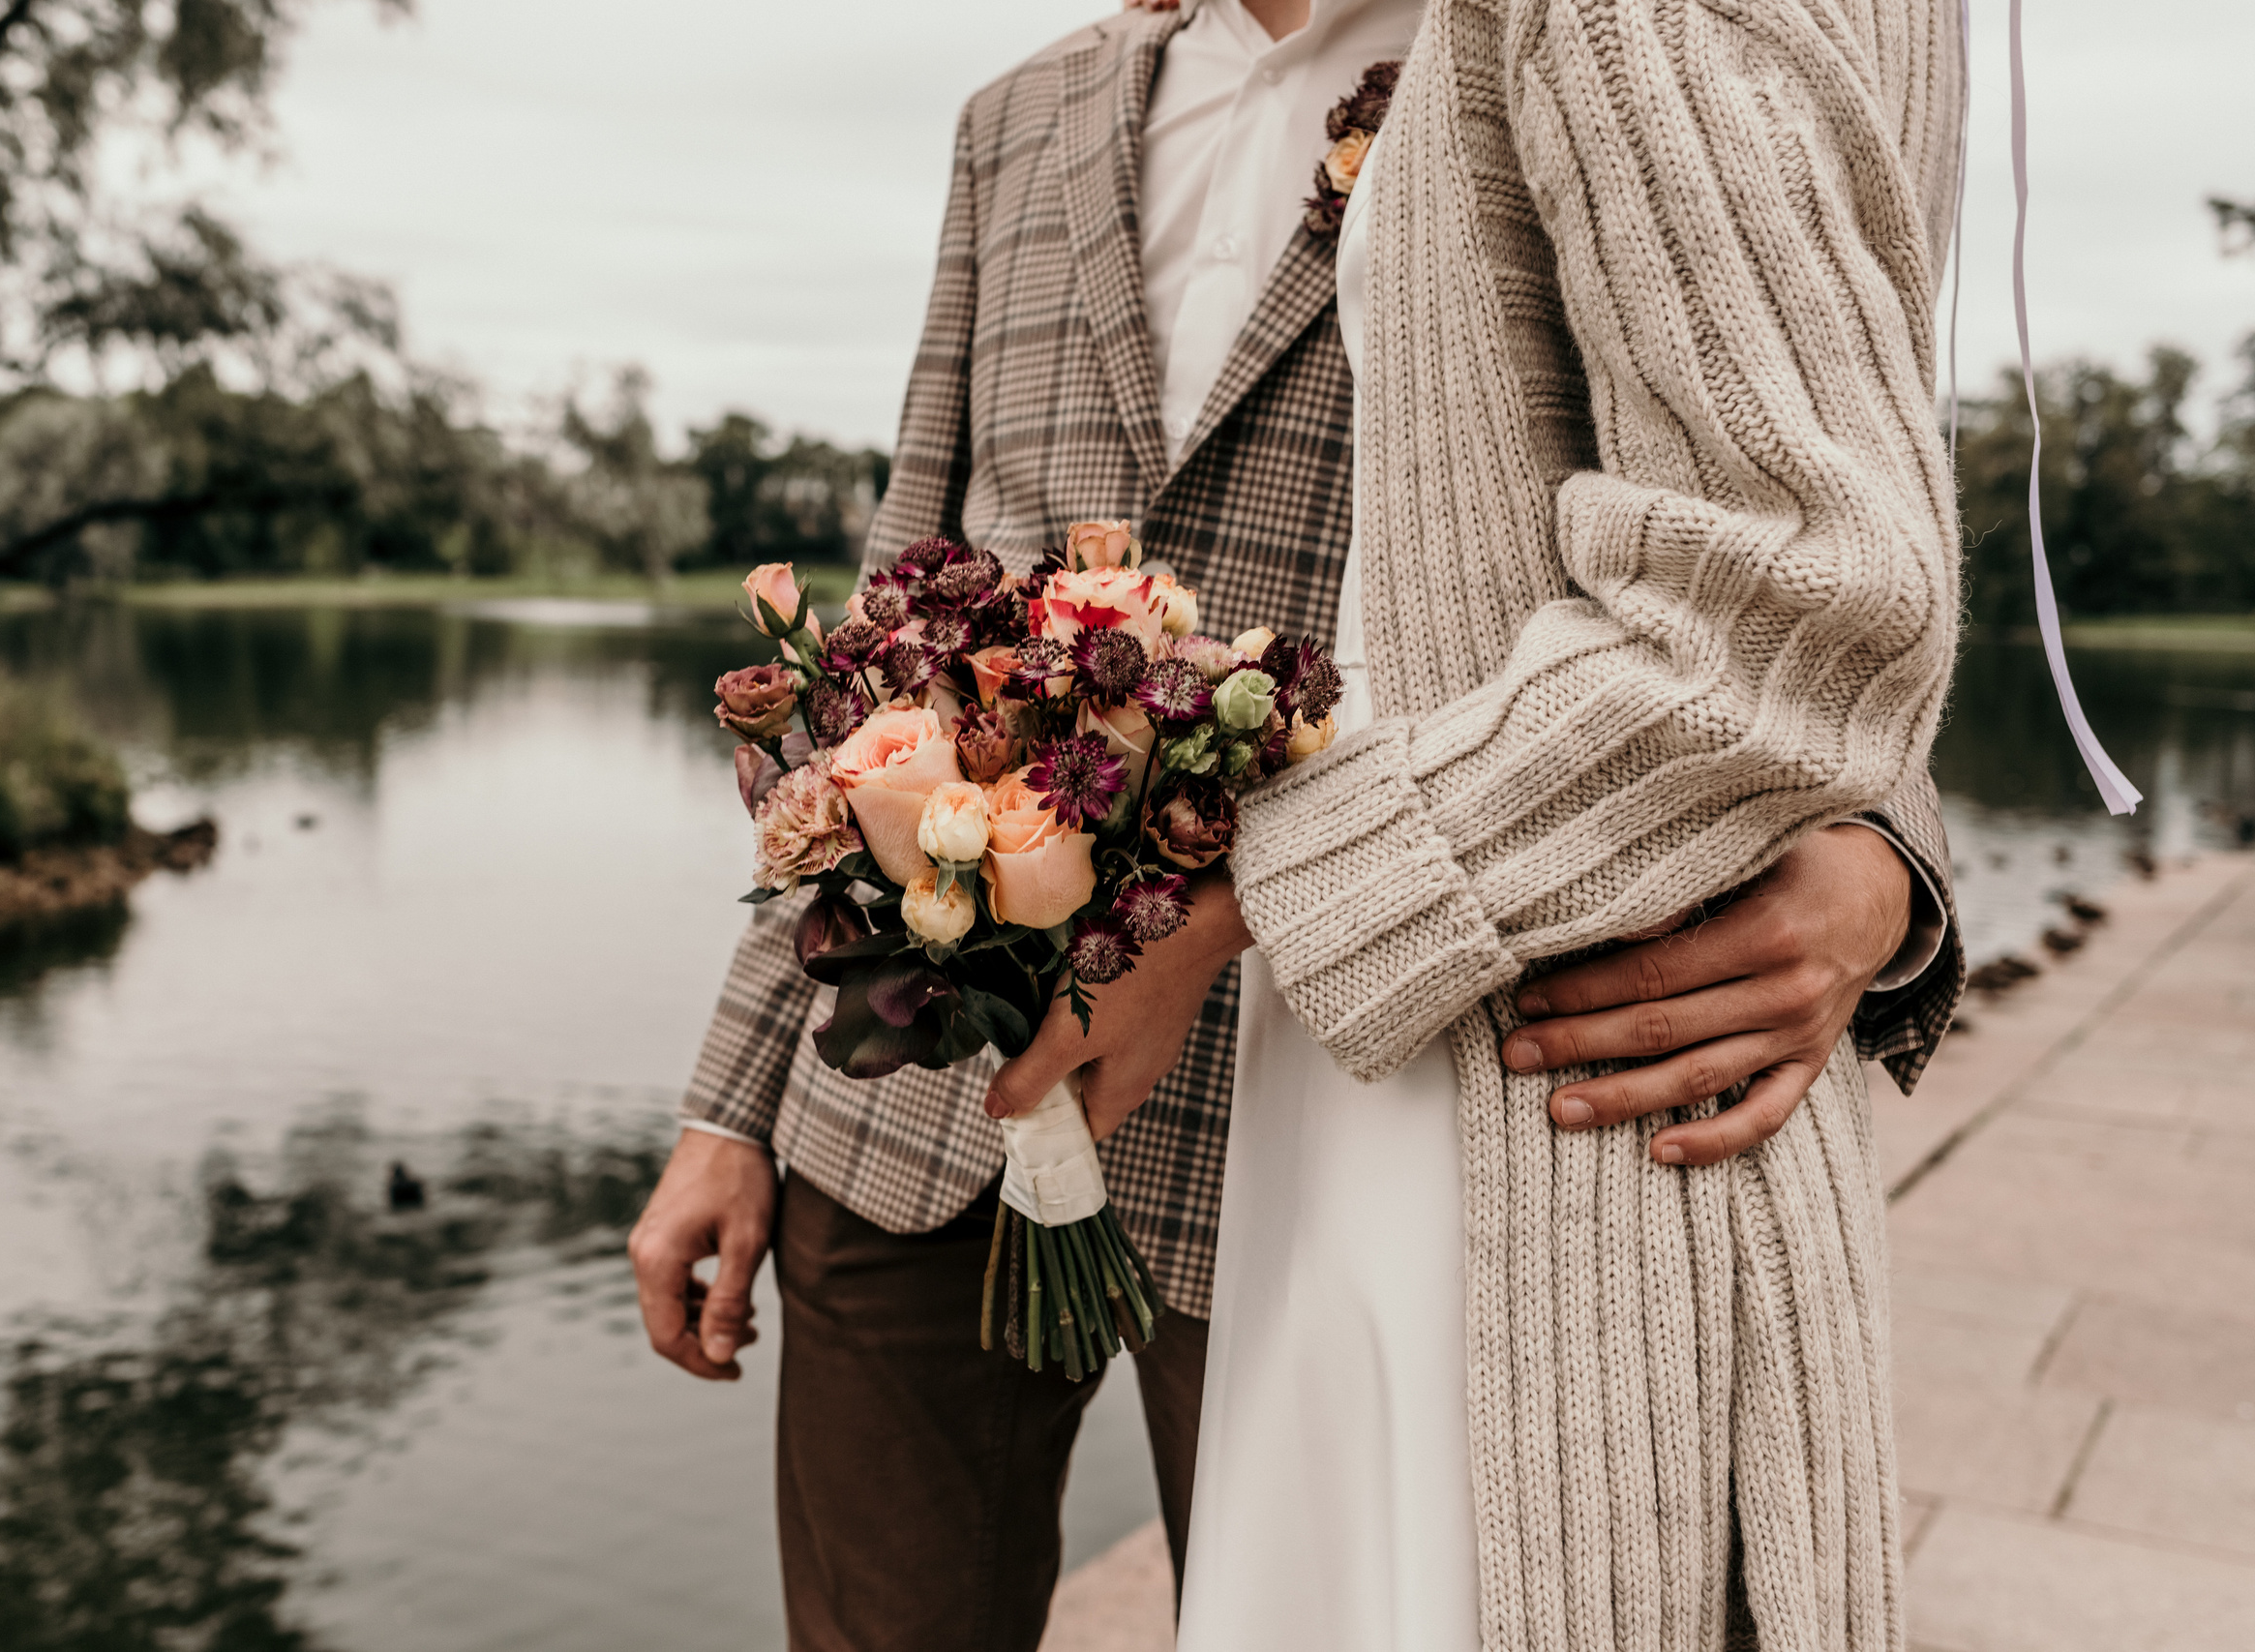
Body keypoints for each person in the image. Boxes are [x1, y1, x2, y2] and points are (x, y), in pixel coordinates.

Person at [637, 2, 1963, 1648]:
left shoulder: (1526, 39)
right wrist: (730, 1103)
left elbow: (1810, 528)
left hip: (1330, 1098)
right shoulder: (1015, 118)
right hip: (916, 1113)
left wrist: (1891, 867)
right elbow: (884, 631)